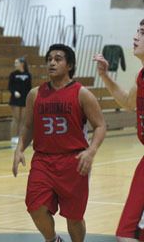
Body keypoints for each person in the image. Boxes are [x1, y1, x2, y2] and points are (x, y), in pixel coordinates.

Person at [13, 44, 106, 242]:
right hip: (43, 160)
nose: (52, 63)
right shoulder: (35, 94)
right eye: (49, 59)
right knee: (35, 207)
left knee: (74, 218)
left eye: (58, 59)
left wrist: (91, 151)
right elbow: (28, 126)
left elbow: (100, 126)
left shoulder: (82, 93)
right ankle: (53, 239)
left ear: (70, 65)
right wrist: (19, 148)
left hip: (74, 161)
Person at [94, 21, 144, 242]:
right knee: (127, 233)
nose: (135, 37)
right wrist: (105, 76)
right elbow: (127, 101)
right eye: (136, 31)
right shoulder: (141, 76)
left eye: (142, 33)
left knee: (127, 233)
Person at [8, 57, 32, 147]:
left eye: (16, 63)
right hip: (15, 99)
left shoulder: (28, 75)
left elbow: (29, 88)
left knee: (23, 119)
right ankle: (13, 137)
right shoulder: (13, 74)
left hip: (24, 99)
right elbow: (10, 86)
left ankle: (21, 136)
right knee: (16, 118)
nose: (15, 64)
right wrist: (14, 92)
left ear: (22, 64)